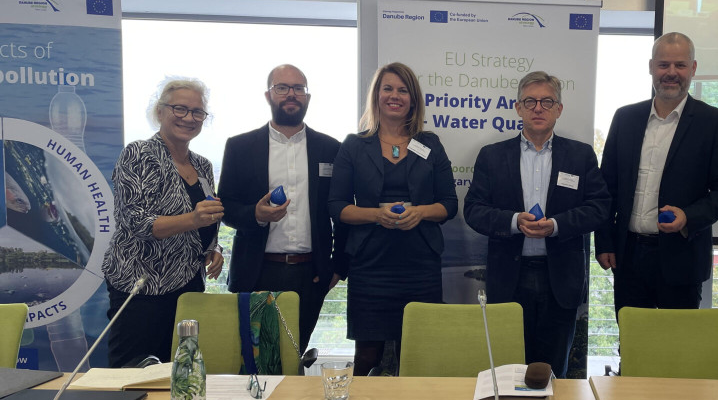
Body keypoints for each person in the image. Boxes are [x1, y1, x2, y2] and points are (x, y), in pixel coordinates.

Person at [464, 71, 610, 378]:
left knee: (553, 371)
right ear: (517, 108)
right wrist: (514, 221)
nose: (538, 108)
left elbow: (599, 208)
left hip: (559, 279)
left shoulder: (580, 156)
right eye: (530, 101)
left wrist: (557, 225)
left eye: (547, 101)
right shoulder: (491, 156)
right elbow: (474, 210)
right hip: (510, 278)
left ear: (559, 109)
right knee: (507, 370)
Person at [596, 32, 718, 313]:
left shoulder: (714, 122)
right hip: (628, 256)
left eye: (680, 65)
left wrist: (689, 216)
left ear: (693, 69)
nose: (671, 73)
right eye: (663, 65)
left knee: (677, 350)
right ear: (651, 67)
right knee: (633, 346)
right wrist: (604, 241)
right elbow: (606, 187)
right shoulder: (624, 118)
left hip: (682, 258)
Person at [328, 63, 457, 376]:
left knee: (418, 357)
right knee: (367, 359)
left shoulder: (430, 144)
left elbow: (449, 205)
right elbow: (337, 207)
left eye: (403, 90)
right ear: (377, 96)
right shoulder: (354, 146)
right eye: (388, 88)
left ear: (413, 99)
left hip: (420, 265)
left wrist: (420, 212)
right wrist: (376, 215)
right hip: (370, 266)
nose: (395, 96)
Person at [218, 64, 346, 352]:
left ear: (307, 97)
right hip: (257, 271)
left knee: (294, 354)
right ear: (268, 95)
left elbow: (342, 210)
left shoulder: (330, 148)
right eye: (282, 88)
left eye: (299, 88)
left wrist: (338, 265)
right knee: (253, 360)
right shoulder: (240, 146)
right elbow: (225, 206)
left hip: (311, 274)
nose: (291, 94)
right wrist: (256, 215)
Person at [101, 78, 224, 368]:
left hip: (188, 285)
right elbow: (136, 222)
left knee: (181, 372)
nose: (189, 118)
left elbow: (206, 217)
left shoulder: (203, 165)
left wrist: (213, 247)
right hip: (141, 285)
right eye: (180, 109)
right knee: (133, 374)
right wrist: (192, 219)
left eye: (197, 112)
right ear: (160, 112)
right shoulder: (138, 154)